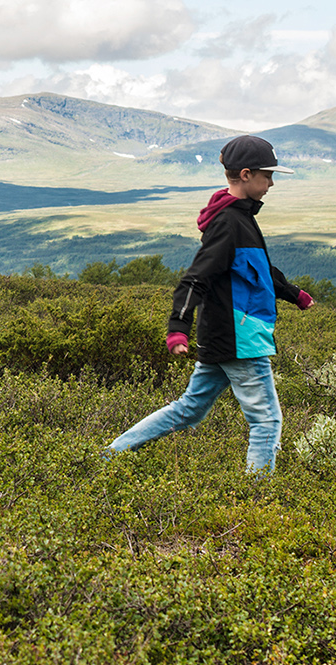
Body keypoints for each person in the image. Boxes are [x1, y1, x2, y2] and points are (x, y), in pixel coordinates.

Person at [107, 135, 316, 474]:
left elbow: (258, 269)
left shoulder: (240, 218)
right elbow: (196, 279)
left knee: (189, 410)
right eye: (267, 175)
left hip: (225, 335)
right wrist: (177, 328)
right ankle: (256, 496)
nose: (272, 183)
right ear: (246, 174)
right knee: (266, 421)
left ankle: (110, 454)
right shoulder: (229, 223)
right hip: (240, 339)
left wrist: (293, 294)